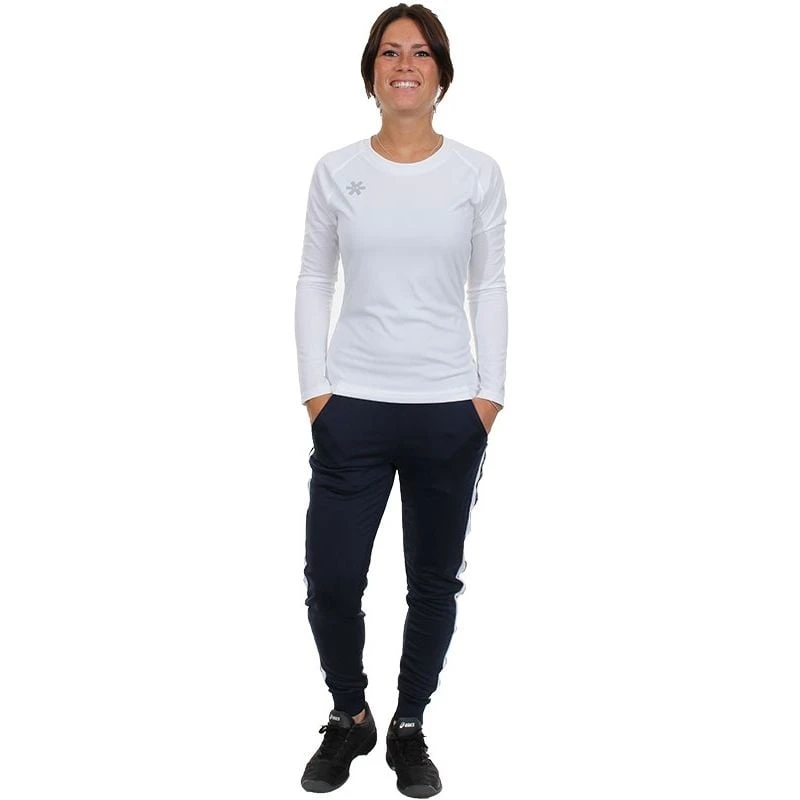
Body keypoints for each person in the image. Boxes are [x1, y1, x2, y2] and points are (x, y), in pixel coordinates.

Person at [293, 4, 507, 796]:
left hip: (448, 409)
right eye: (390, 52)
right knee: (331, 580)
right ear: (371, 72)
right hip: (352, 406)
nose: (405, 65)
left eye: (420, 53)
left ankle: (409, 724)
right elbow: (314, 279)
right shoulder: (336, 171)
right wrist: (317, 392)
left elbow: (490, 285)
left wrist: (489, 396)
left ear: (441, 73)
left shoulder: (477, 174)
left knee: (433, 583)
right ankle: (350, 714)